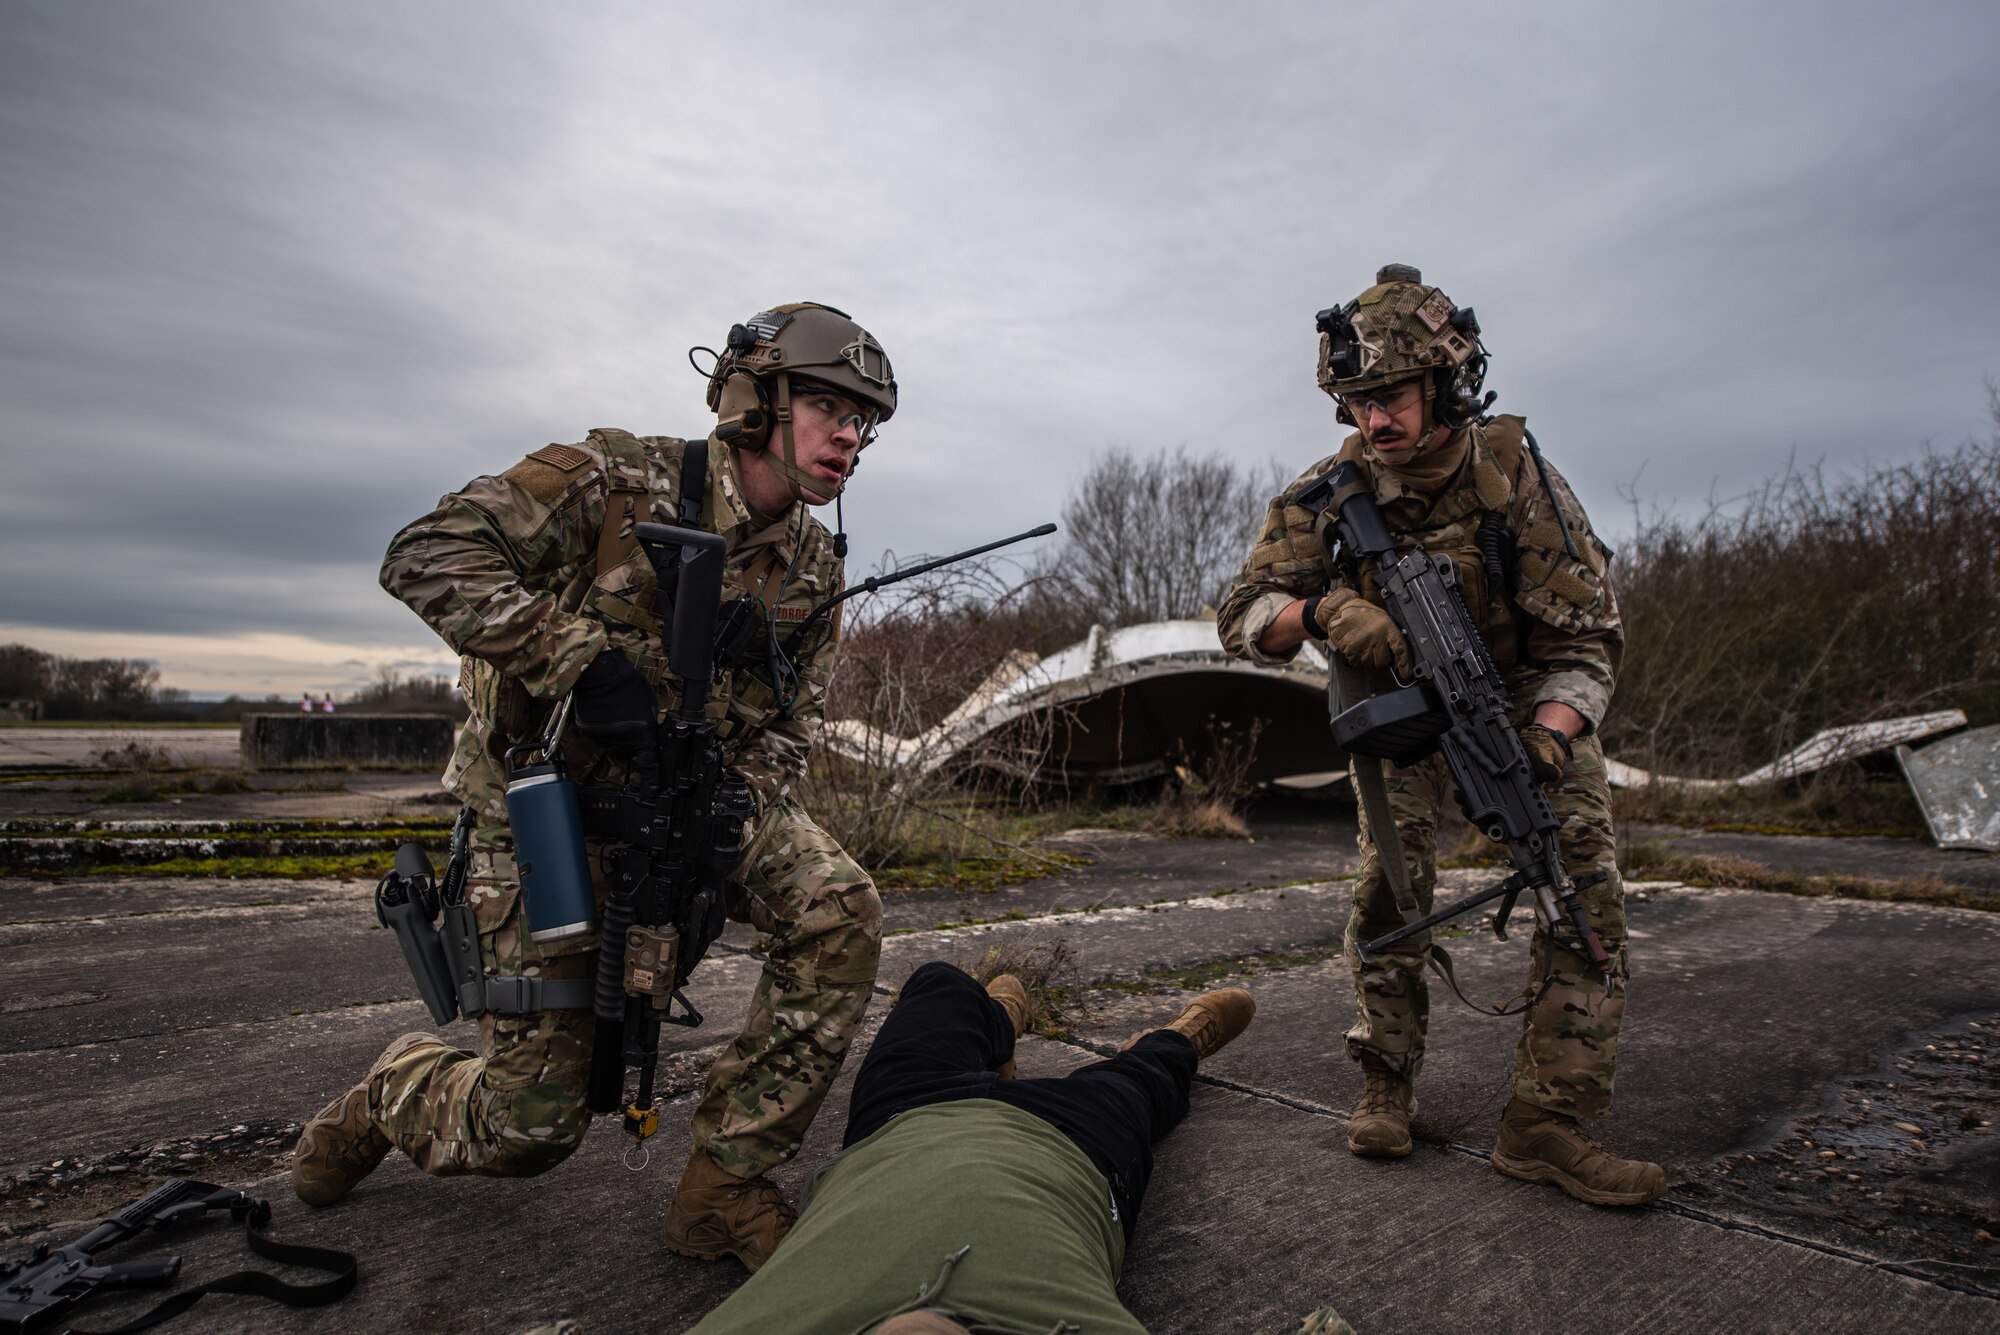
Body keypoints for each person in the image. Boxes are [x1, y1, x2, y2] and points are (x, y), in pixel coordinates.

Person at [290, 302, 900, 1268]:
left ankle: (725, 1183)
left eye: (864, 420)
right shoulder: (618, 480)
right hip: (538, 804)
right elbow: (426, 552)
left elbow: (791, 726)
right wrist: (573, 657)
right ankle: (395, 1088)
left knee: (839, 910)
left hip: (687, 799)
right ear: (756, 399)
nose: (849, 435)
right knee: (533, 1124)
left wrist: (730, 803)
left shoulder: (814, 563)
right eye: (828, 405)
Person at [1217, 265, 1665, 1207]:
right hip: (1400, 710)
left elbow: (1587, 637)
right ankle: (1387, 1075)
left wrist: (1547, 739)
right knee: (1392, 880)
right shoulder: (1326, 495)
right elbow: (1242, 614)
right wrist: (1327, 607)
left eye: (1393, 397)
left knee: (1578, 888)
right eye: (1358, 400)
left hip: (1522, 704)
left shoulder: (1516, 480)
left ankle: (1546, 1120)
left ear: (1446, 386)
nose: (1375, 420)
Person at [686, 961, 1280, 1335]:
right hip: (1070, 1148)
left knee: (938, 983)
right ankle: (1174, 1039)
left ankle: (999, 1026)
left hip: (901, 1122)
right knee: (1145, 1079)